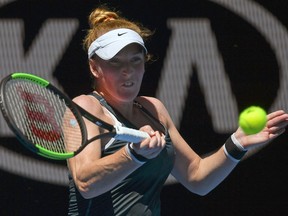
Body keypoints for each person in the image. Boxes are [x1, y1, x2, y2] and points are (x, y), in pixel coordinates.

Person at [67, 5, 288, 215]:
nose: (128, 71)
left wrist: (236, 144)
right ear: (94, 67)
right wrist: (133, 154)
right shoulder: (85, 107)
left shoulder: (154, 109)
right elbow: (86, 183)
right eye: (115, 62)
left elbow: (196, 176)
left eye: (135, 60)